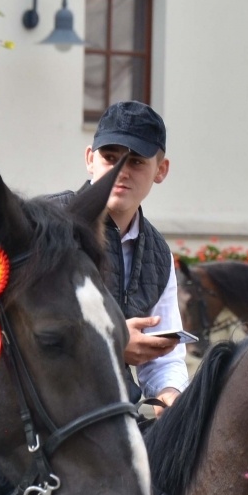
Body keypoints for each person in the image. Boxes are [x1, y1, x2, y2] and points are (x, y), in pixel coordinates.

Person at [75, 100, 188, 412]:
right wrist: (113, 343)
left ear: (160, 170)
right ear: (90, 159)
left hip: (115, 421)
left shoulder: (158, 253)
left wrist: (171, 397)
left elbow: (165, 358)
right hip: (41, 426)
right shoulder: (47, 222)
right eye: (110, 158)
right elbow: (21, 333)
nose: (121, 172)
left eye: (136, 162)